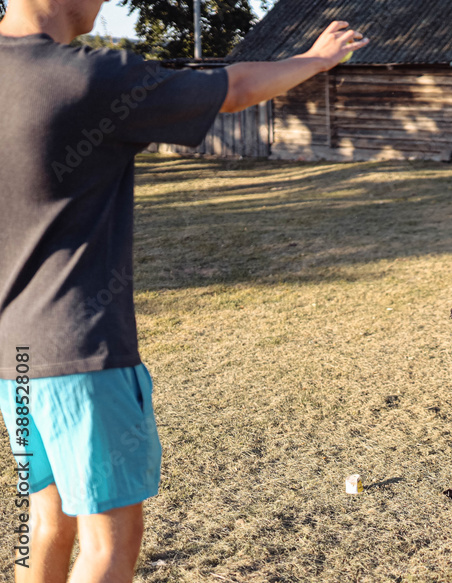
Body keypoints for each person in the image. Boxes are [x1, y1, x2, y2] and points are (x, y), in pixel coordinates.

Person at [0, 1, 368, 581]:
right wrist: (316, 59)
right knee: (108, 546)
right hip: (82, 353)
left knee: (47, 520)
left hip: (12, 364)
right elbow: (236, 85)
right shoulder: (90, 78)